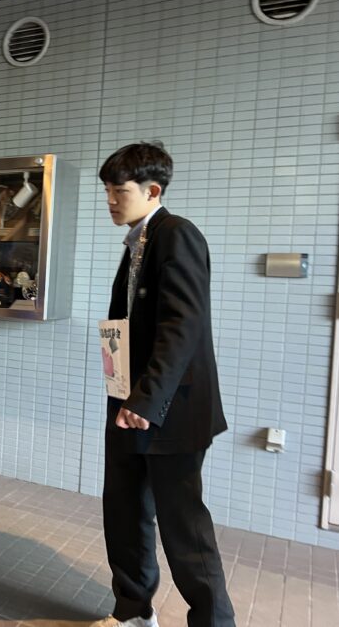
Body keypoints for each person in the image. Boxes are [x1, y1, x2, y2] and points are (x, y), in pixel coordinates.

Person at [94, 143, 235, 627]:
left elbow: (183, 325)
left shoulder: (177, 235)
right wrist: (126, 394)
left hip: (170, 409)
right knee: (125, 512)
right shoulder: (137, 242)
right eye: (107, 191)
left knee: (183, 527)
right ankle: (133, 612)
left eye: (120, 191)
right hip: (128, 403)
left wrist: (147, 399)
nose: (111, 200)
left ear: (152, 190)